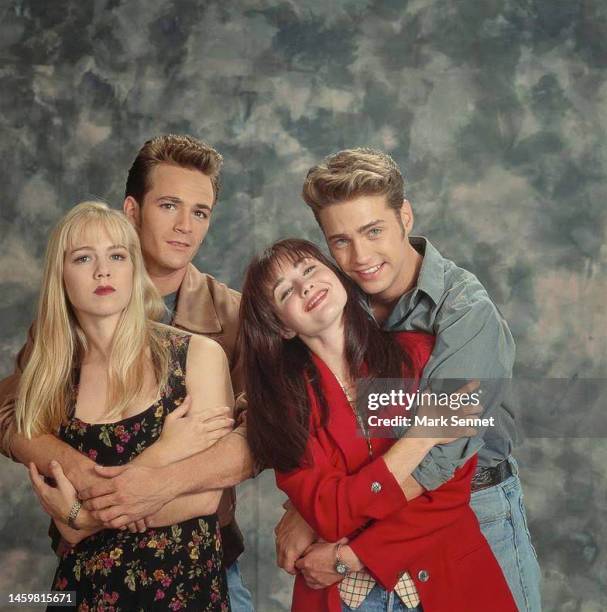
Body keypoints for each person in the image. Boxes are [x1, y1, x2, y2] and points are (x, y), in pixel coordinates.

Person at [275, 148, 541, 611]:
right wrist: (308, 505)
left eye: (373, 231)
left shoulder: (465, 313)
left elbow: (438, 454)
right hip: (375, 511)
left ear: (405, 216)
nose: (360, 257)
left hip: (471, 507)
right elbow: (321, 415)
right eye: (339, 241)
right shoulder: (337, 299)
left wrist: (340, 537)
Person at [0, 135, 255, 611]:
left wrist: (100, 505)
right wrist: (77, 469)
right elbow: (12, 413)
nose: (185, 227)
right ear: (132, 210)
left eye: (200, 212)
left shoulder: (233, 320)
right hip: (86, 567)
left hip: (199, 557)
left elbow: (263, 433)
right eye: (169, 205)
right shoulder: (64, 324)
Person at [238, 237, 516, 612]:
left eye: (309, 269)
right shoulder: (282, 411)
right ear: (282, 327)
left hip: (448, 579)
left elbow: (451, 486)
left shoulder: (420, 354)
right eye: (285, 290)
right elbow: (331, 514)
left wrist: (355, 555)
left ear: (336, 277)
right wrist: (419, 439)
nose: (305, 285)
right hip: (347, 599)